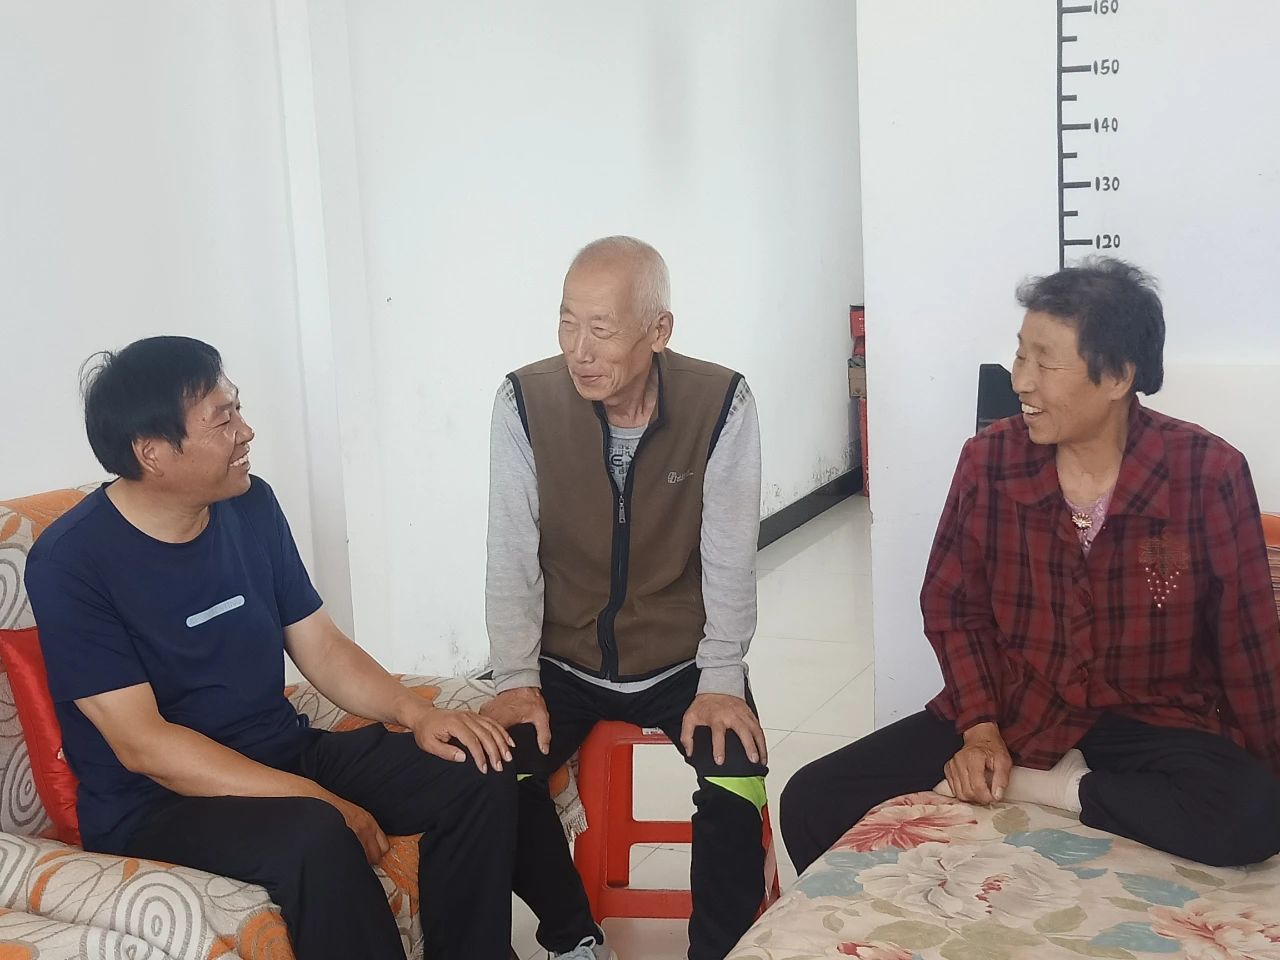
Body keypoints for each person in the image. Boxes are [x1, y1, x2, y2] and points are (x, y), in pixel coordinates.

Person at [780, 258, 1280, 874]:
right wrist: (980, 729)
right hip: (1019, 706)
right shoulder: (990, 461)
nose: (1021, 381)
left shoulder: (1207, 473)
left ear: (1118, 376)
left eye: (1045, 363)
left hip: (1149, 716)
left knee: (1255, 812)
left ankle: (1056, 787)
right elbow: (953, 606)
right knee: (812, 798)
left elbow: (1246, 640)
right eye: (1020, 356)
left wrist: (1266, 766)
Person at [25, 336, 518, 959]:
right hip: (156, 806)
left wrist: (417, 714)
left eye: (238, 408)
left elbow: (323, 647)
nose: (246, 431)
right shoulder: (71, 562)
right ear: (152, 453)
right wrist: (318, 798)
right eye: (222, 419)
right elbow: (144, 745)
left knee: (474, 766)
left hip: (281, 751)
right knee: (316, 835)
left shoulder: (251, 505)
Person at [479, 236, 769, 960]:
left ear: (658, 330)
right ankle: (573, 938)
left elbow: (730, 555)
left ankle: (719, 952)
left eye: (602, 330)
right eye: (567, 323)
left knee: (737, 777)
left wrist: (722, 677)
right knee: (488, 776)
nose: (580, 351)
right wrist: (515, 678)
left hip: (681, 660)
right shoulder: (525, 401)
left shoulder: (720, 403)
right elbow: (511, 553)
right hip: (564, 659)